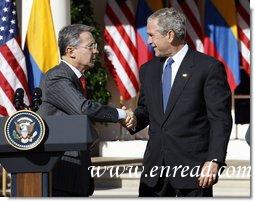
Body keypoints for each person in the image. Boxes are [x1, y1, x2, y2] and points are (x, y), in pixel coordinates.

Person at [123, 8, 232, 197]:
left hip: (193, 171)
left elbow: (220, 120)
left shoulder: (208, 68)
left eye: (151, 35)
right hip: (155, 171)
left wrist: (214, 160)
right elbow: (146, 110)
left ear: (170, 35)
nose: (148, 41)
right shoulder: (148, 70)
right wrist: (133, 118)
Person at [38, 24, 131, 197]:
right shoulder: (57, 76)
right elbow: (83, 108)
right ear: (71, 51)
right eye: (91, 46)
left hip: (77, 171)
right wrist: (121, 114)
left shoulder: (76, 79)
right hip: (63, 171)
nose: (96, 51)